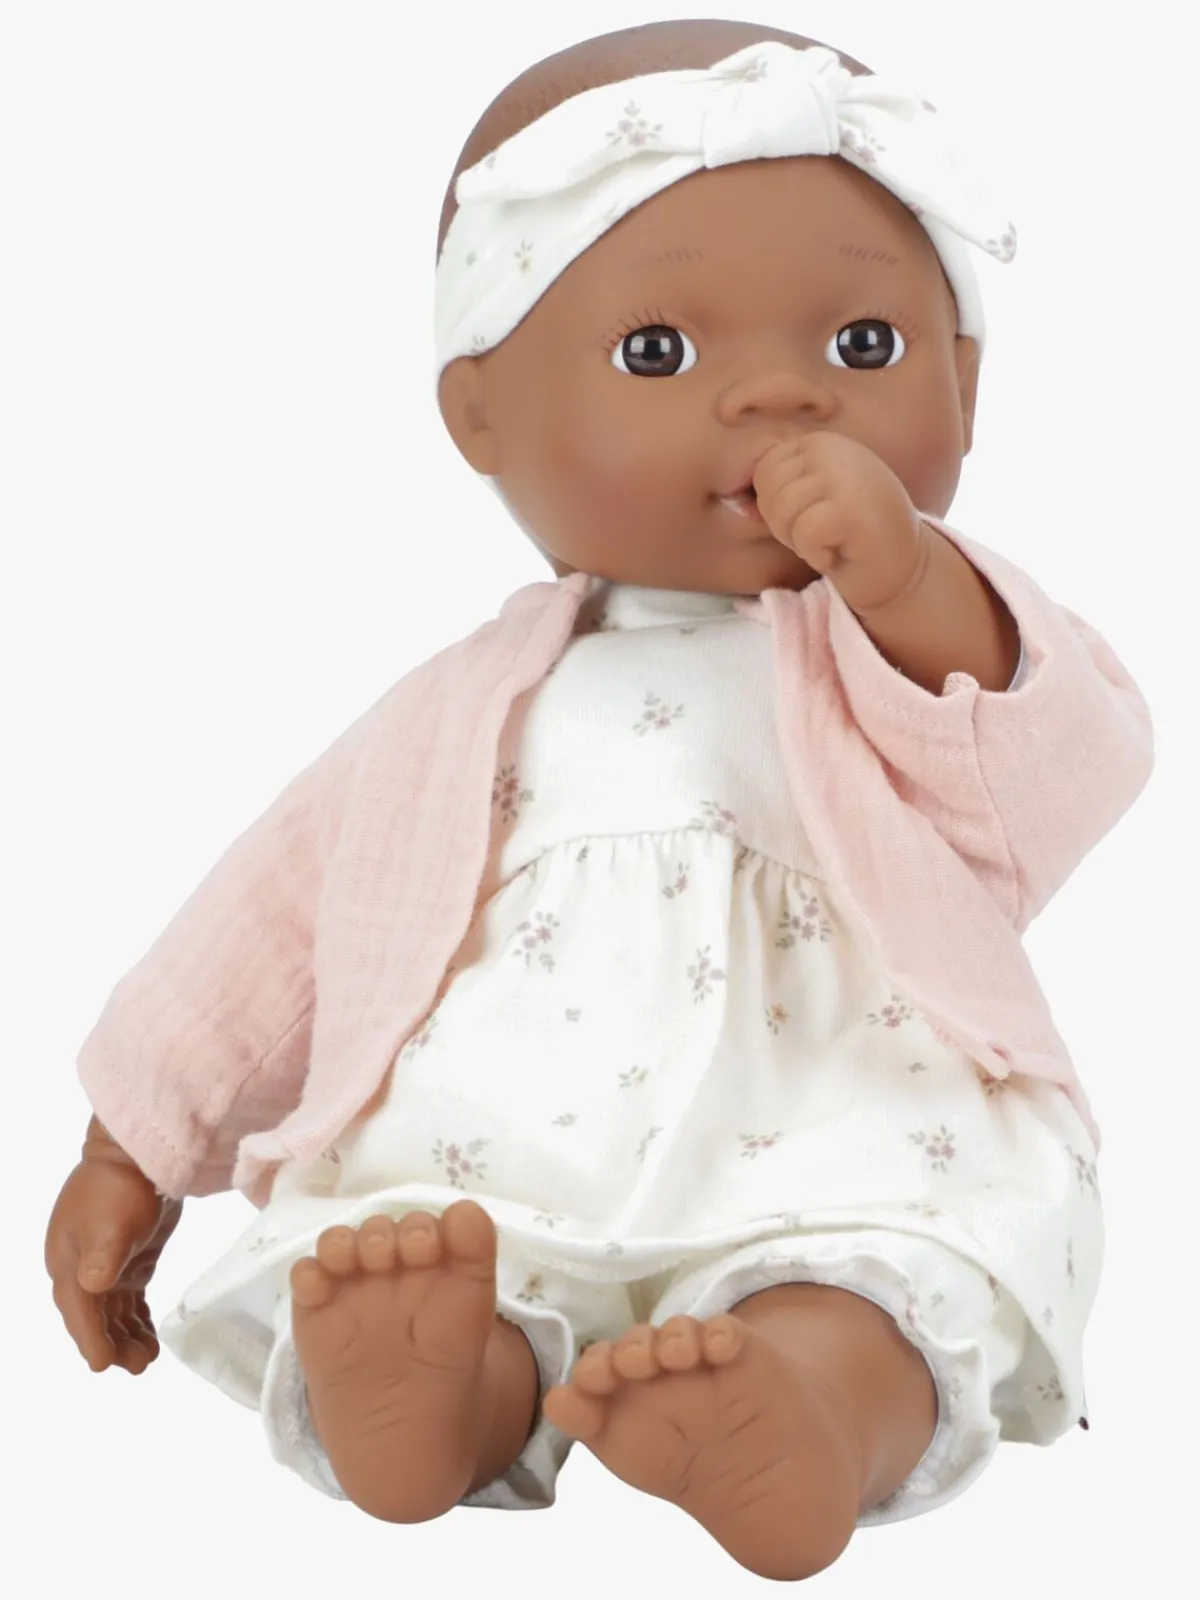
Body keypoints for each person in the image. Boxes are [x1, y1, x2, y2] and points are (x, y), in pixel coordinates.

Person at [45, 19, 1152, 1582]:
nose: (782, 397)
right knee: (418, 1250)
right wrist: (132, 1146)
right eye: (659, 354)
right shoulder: (450, 713)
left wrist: (912, 583)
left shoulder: (892, 653)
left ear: (965, 388)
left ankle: (810, 1405)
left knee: (891, 1277)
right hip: (500, 1144)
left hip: (846, 1117)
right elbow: (271, 924)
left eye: (863, 348)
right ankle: (449, 1390)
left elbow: (1063, 771)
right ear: (481, 416)